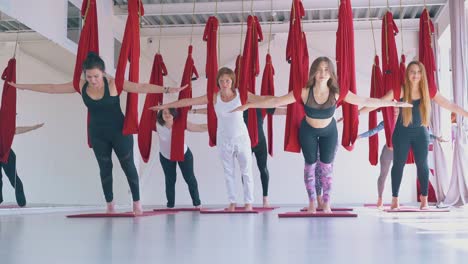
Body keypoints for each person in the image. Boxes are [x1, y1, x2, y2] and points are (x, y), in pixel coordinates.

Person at [9, 52, 186, 215]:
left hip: (119, 131)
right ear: (84, 75)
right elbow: (52, 88)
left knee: (128, 167)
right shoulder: (81, 85)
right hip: (97, 133)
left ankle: (137, 203)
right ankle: (110, 204)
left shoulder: (114, 83)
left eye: (96, 76)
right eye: (89, 76)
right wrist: (22, 86)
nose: (93, 80)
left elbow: (141, 86)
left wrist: (167, 90)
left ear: (103, 73)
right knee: (104, 168)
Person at [232, 56, 412, 213]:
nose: (322, 72)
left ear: (331, 73)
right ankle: (311, 202)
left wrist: (393, 104)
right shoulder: (303, 92)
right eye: (319, 70)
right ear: (313, 73)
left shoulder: (337, 92)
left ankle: (326, 203)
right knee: (310, 166)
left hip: (329, 132)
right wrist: (250, 104)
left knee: (326, 168)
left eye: (326, 69)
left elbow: (364, 100)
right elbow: (277, 100)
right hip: (308, 131)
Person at [150, 67, 267, 211]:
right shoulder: (214, 97)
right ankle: (232, 202)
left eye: (227, 80)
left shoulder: (241, 95)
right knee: (228, 172)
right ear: (218, 82)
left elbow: (263, 100)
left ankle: (248, 202)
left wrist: (283, 101)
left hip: (241, 138)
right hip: (224, 139)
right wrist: (166, 106)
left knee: (246, 170)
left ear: (232, 81)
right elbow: (188, 101)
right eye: (222, 80)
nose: (224, 83)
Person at [359, 61, 468, 210]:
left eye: (418, 72)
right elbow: (379, 103)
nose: (415, 75)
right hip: (401, 133)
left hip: (420, 133)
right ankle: (395, 199)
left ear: (422, 74)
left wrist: (466, 114)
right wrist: (356, 114)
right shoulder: (401, 90)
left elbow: (449, 104)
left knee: (422, 165)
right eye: (412, 72)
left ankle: (424, 200)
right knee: (398, 165)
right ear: (407, 74)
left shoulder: (429, 90)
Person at [190, 107, 287, 207]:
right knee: (245, 171)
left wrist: (297, 108)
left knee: (263, 168)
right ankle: (247, 200)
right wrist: (194, 111)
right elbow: (213, 111)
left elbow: (281, 110)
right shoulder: (237, 107)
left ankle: (265, 199)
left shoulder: (260, 105)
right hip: (245, 143)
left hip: (260, 143)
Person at [156, 108, 206, 208]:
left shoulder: (180, 123)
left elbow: (199, 127)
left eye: (169, 112)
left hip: (183, 154)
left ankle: (197, 203)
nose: (167, 114)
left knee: (189, 178)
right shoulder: (157, 124)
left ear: (174, 114)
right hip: (166, 156)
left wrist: (216, 126)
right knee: (170, 180)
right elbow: (143, 126)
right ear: (161, 115)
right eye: (164, 112)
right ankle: (170, 205)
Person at [0, 123, 44, 207]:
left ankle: (21, 201)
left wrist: (32, 128)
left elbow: (16, 130)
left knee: (13, 178)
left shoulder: (4, 129)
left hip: (7, 154)